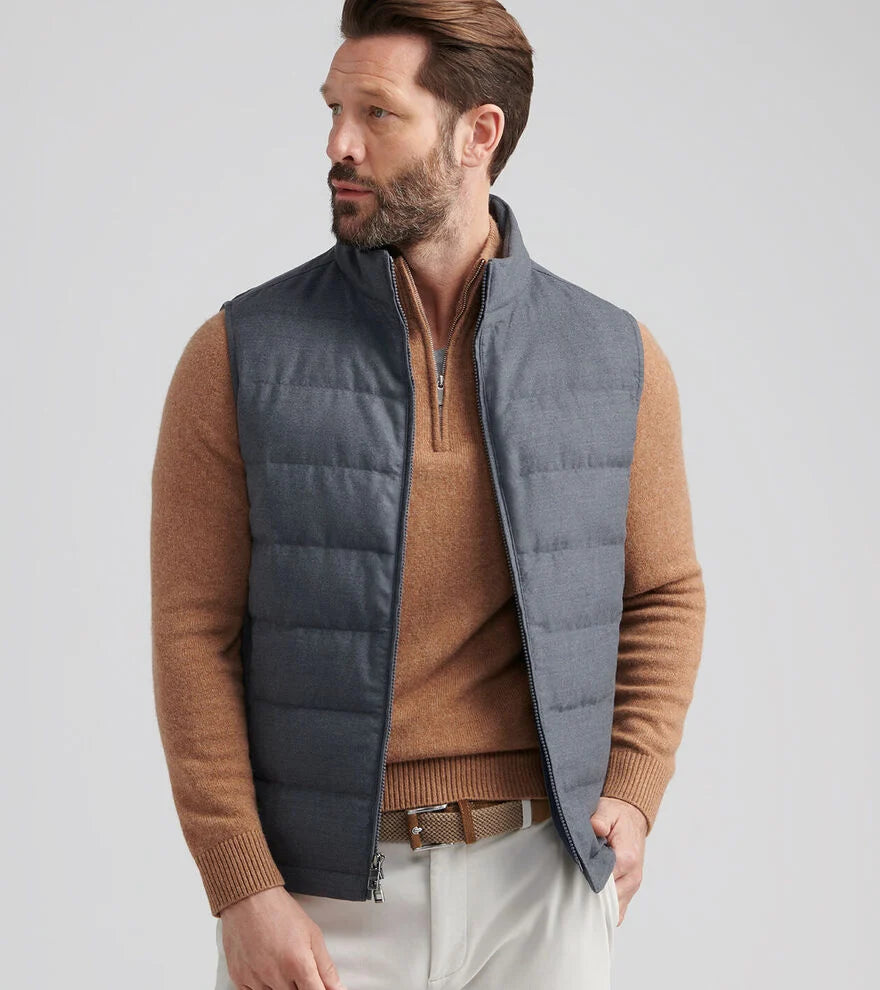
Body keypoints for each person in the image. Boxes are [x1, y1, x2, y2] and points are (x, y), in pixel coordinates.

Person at [150, 2, 706, 987]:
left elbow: (665, 591)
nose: (339, 144)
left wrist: (633, 787)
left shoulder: (614, 357)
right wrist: (242, 887)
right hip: (323, 900)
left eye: (377, 113)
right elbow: (193, 631)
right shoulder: (239, 355)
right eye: (333, 110)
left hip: (543, 886)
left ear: (476, 133)